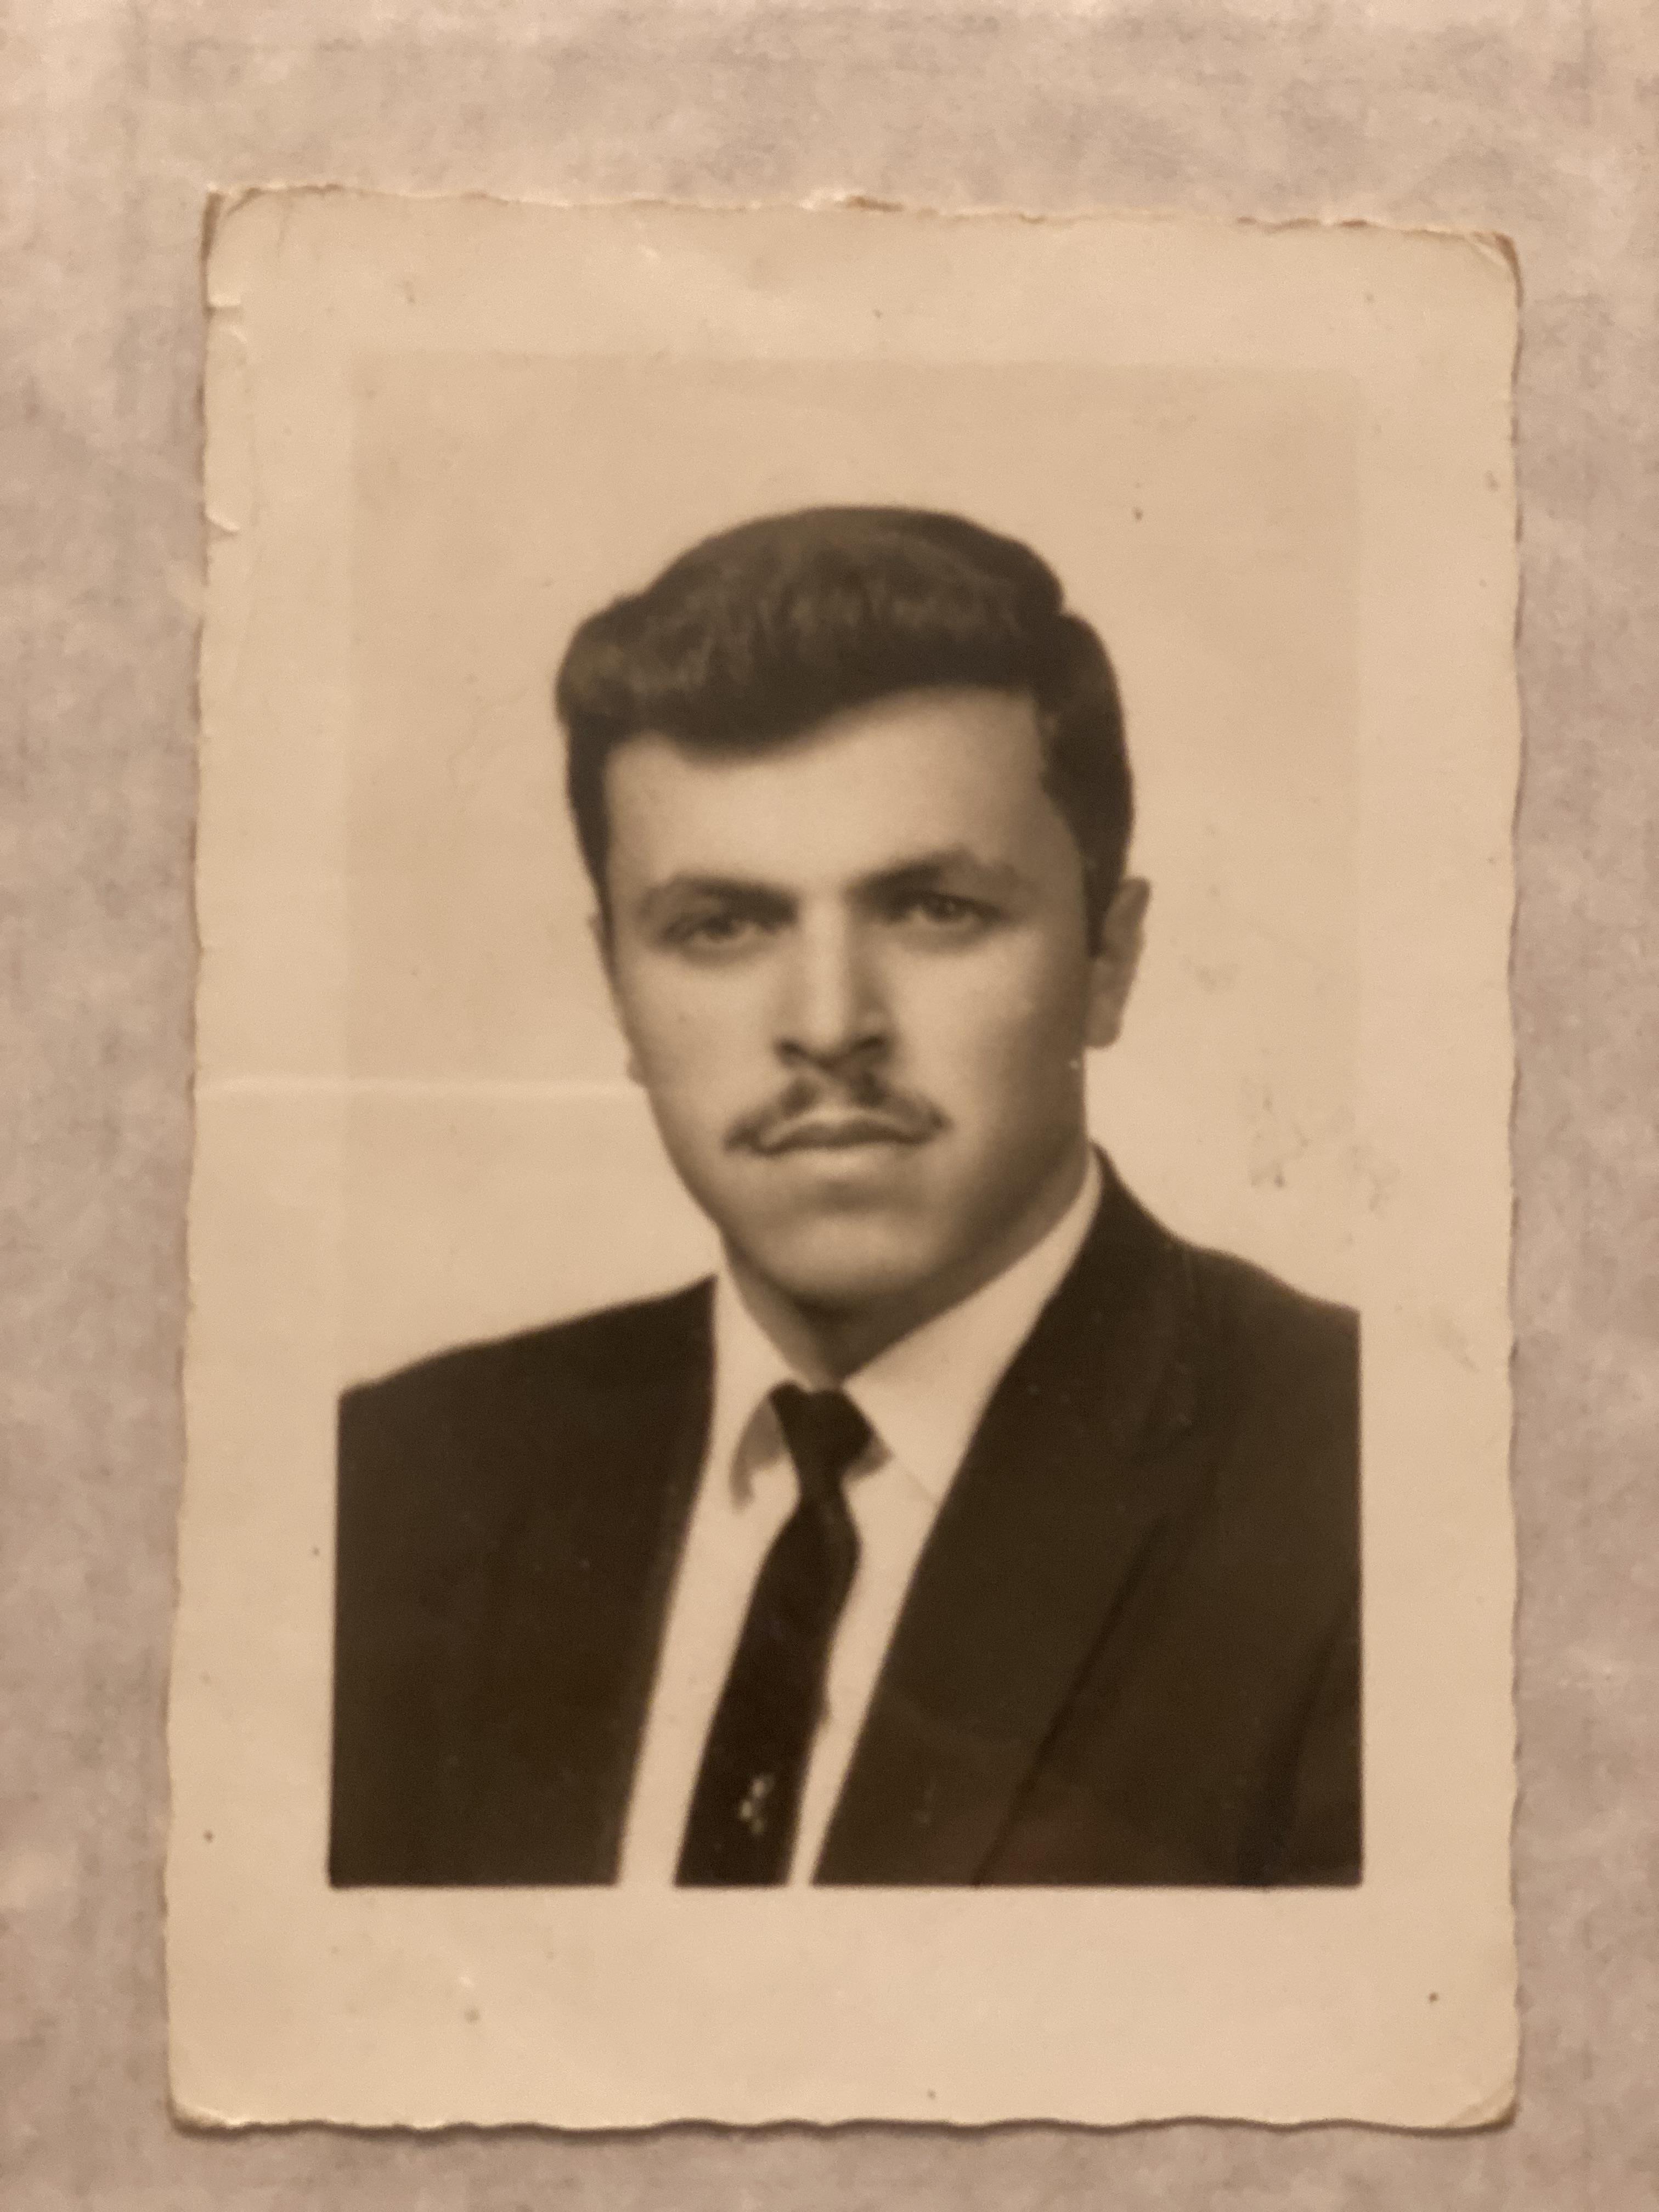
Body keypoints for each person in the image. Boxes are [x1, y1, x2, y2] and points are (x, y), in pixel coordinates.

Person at [329, 506, 1360, 1889]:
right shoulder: (401, 1482)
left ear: (1109, 961)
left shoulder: (1374, 1486)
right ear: (619, 991)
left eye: (932, 909)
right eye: (721, 926)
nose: (828, 1025)